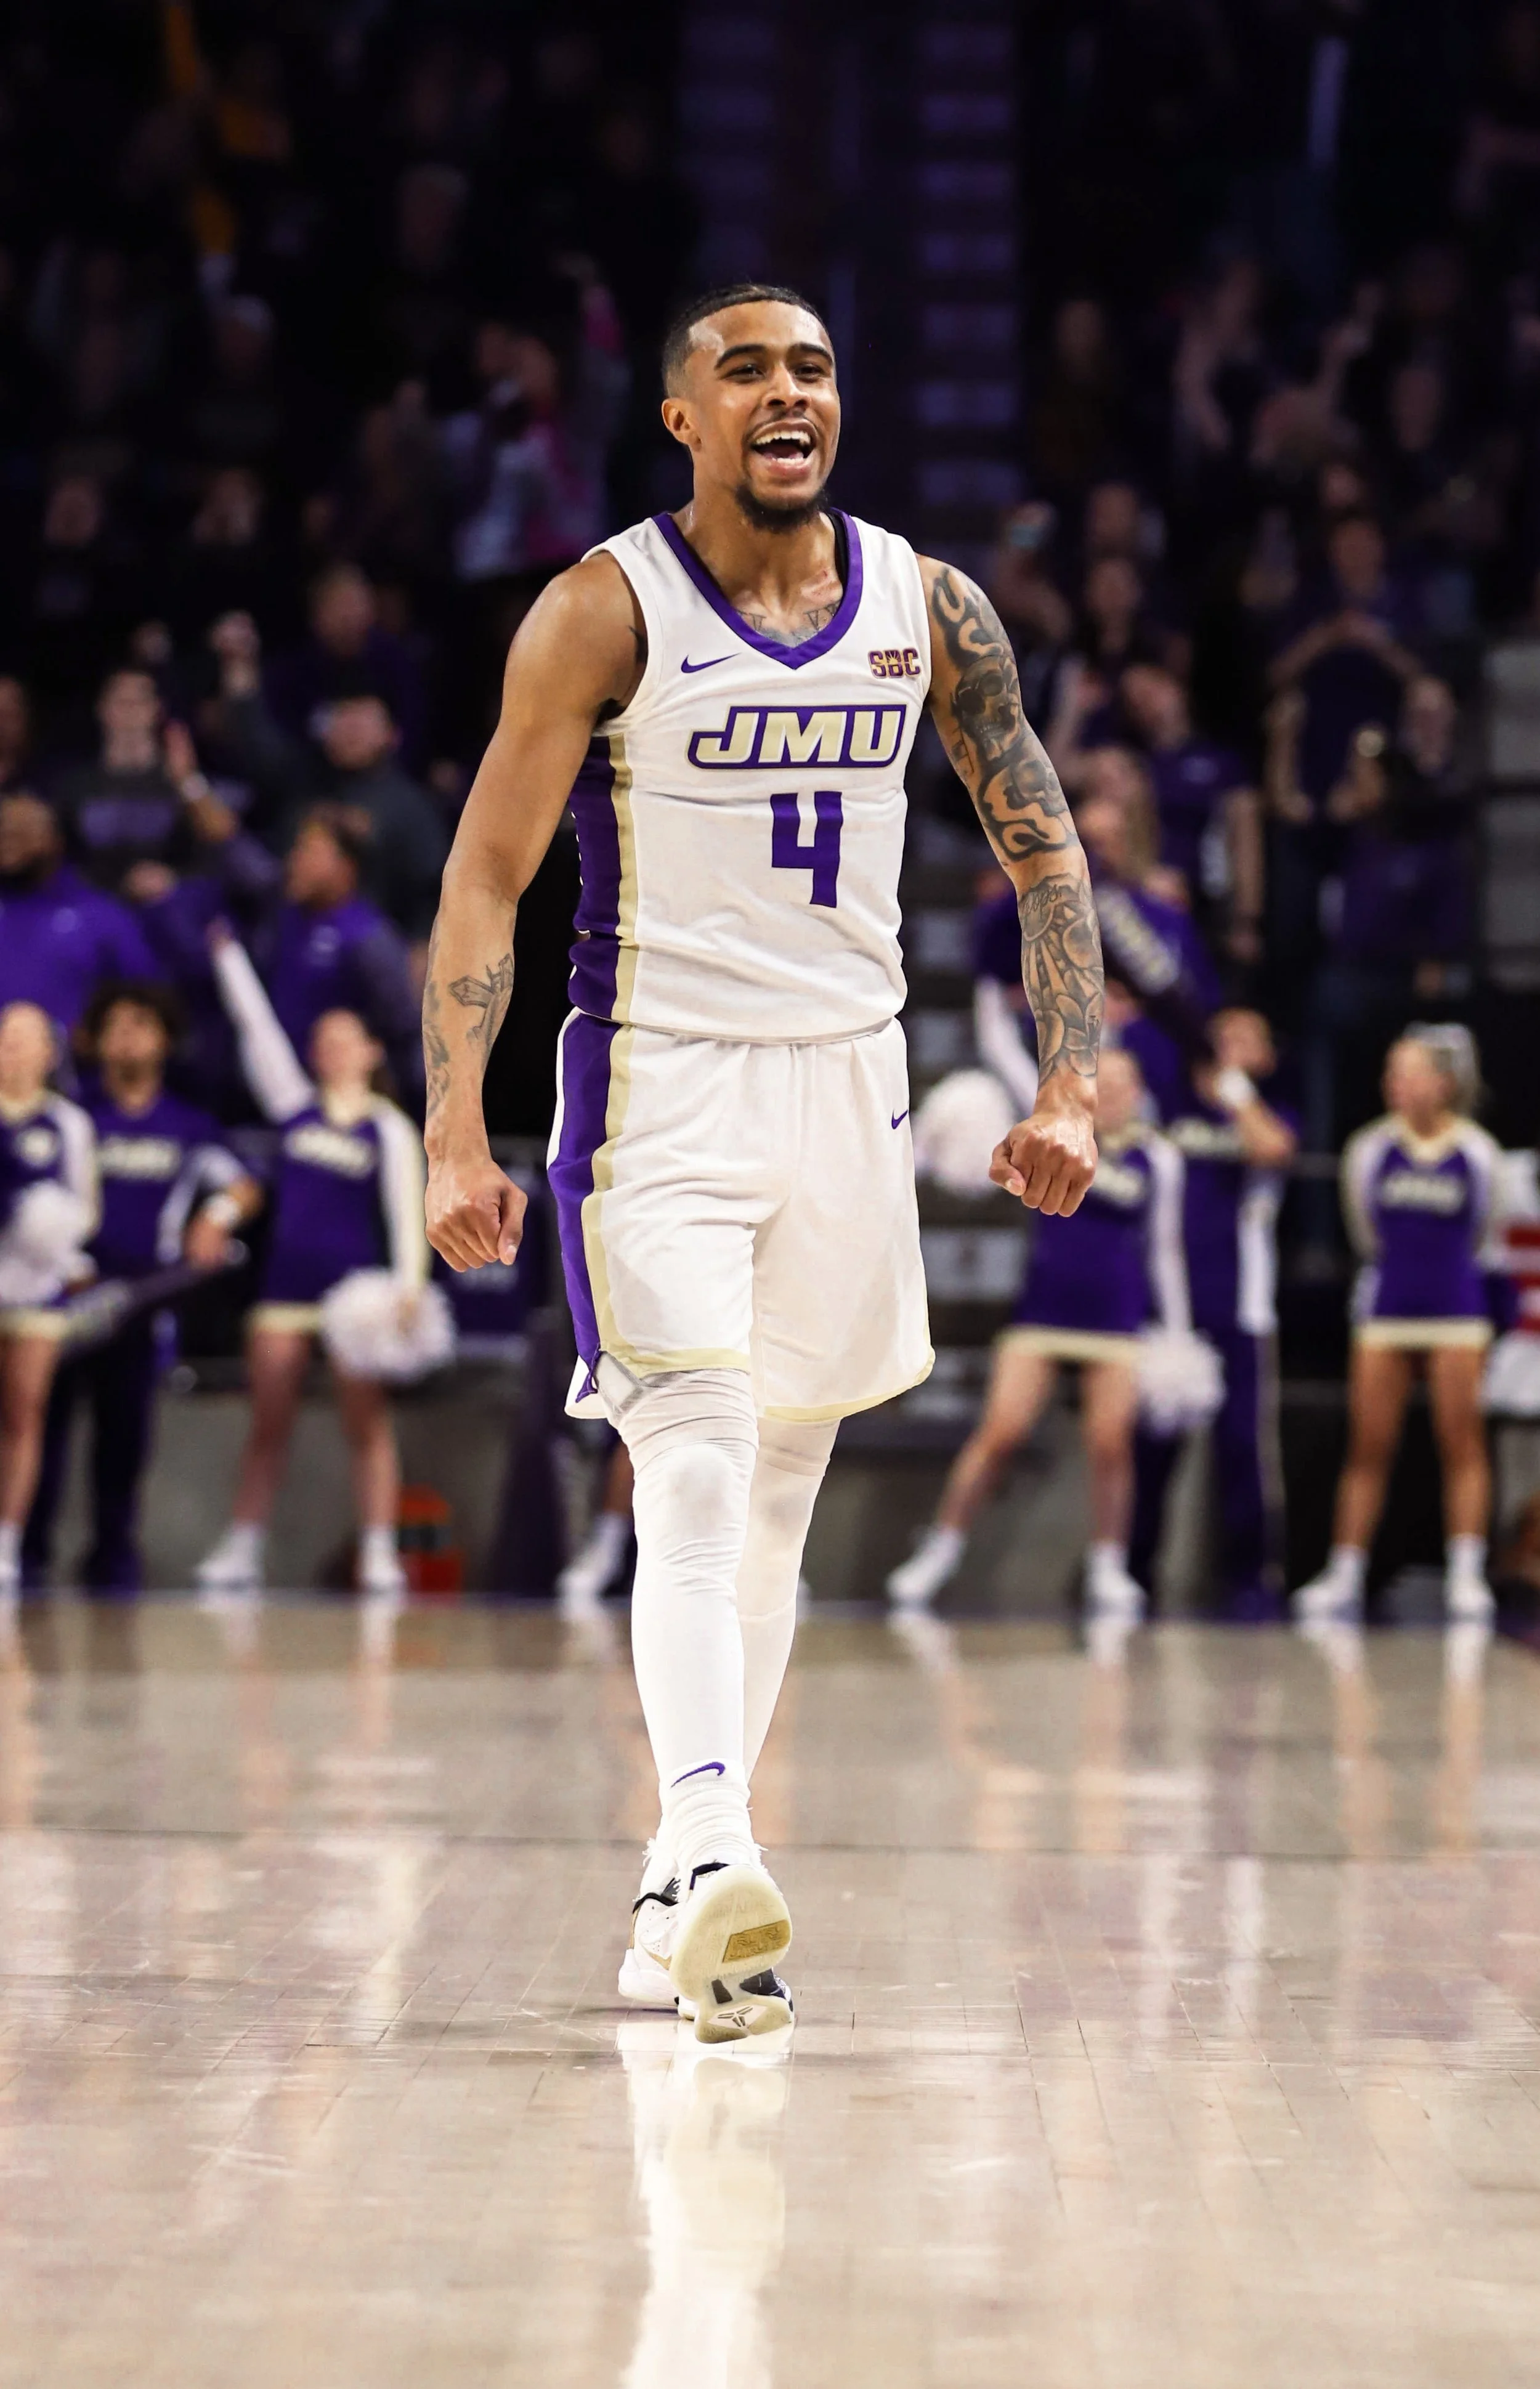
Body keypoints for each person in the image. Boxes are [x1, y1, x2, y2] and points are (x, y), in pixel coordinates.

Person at [422, 283, 1103, 2042]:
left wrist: (1071, 1083)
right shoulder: (602, 607)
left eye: (810, 366)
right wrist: (452, 1132)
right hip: (656, 1087)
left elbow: (1040, 846)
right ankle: (719, 1832)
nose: (786, 392)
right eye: (745, 370)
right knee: (699, 1464)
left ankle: (679, 1888)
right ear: (682, 417)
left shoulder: (925, 603)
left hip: (850, 1082)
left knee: (779, 1485)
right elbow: (486, 874)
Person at [887, 1048, 1185, 1620]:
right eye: (1102, 1083)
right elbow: (1002, 1051)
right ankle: (939, 1553)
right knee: (1000, 1432)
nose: (1111, 1094)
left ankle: (1108, 1567)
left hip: (1116, 1317)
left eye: (1123, 1084)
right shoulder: (1054, 1133)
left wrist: (1175, 1334)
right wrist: (996, 1000)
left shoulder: (1158, 1158)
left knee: (1110, 1444)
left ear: (1140, 1092)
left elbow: (1166, 1252)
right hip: (1043, 1311)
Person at [195, 930, 428, 1602]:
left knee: (366, 1424)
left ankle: (380, 1551)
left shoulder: (388, 1126)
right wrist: (229, 956)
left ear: (371, 1051)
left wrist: (410, 1288)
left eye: (345, 1039)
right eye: (323, 1041)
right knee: (268, 1423)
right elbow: (257, 1028)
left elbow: (407, 1211)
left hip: (353, 1296)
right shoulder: (293, 1108)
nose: (333, 1049)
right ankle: (243, 1546)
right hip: (285, 1291)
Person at [24, 984, 259, 1596]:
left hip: (141, 1305)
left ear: (165, 1039)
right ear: (94, 1039)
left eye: (142, 1024)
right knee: (40, 1426)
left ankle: (112, 1558)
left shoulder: (188, 1124)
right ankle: (28, 1554)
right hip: (63, 1298)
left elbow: (244, 1184)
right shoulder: (74, 1117)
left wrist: (217, 1218)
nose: (128, 1037)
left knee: (125, 1436)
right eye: (116, 1025)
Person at [1297, 1026, 1505, 1625]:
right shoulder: (1369, 1148)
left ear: (1444, 1083)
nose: (1395, 1083)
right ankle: (1345, 1571)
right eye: (1392, 1071)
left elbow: (1484, 1233)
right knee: (1368, 1445)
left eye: (1409, 1071)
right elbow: (1366, 1231)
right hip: (1387, 1308)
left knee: (1461, 1442)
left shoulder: (1478, 1152)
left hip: (1456, 1310)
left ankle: (1466, 1572)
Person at [1129, 1008, 1298, 1618]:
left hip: (1240, 1307)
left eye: (1246, 1038)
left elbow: (1272, 1149)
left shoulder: (1270, 1112)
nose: (1229, 1044)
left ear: (1266, 1057)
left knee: (1241, 1446)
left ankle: (1250, 1578)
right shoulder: (1170, 1103)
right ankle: (1133, 1571)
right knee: (1152, 1445)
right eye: (1221, 1034)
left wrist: (1234, 1092)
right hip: (1169, 1304)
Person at [0, 1004, 97, 1600]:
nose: (12, 1048)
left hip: (36, 1287)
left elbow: (85, 1209)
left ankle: (7, 1541)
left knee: (24, 1411)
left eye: (25, 1038)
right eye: (5, 1037)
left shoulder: (68, 1123)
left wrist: (52, 1238)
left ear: (49, 1053)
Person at [0, 792, 161, 1034]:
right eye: (3, 830)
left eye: (21, 830)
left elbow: (146, 996)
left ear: (56, 838)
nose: (8, 840)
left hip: (75, 1056)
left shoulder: (100, 915)